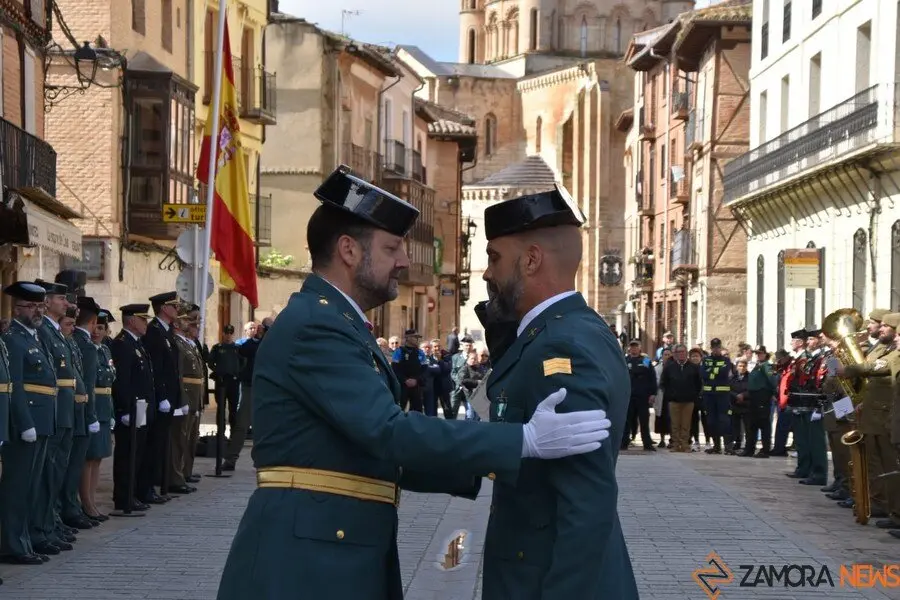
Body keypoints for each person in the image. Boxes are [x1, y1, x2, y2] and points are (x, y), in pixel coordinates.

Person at [215, 167, 613, 600]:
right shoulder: (318, 325)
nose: (404, 261)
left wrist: (492, 459)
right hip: (305, 561)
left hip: (330, 546)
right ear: (348, 250)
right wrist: (520, 441)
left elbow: (373, 451)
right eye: (391, 248)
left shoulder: (337, 321)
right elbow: (387, 432)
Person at [475, 184, 637, 599]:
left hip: (545, 578)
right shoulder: (564, 331)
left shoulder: (560, 345)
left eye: (494, 257)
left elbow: (587, 502)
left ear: (531, 260)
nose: (487, 273)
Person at [0, 282, 57, 564]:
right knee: (17, 487)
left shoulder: (34, 337)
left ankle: (24, 541)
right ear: (17, 307)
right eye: (31, 306)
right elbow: (16, 385)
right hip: (27, 422)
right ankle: (12, 544)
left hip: (43, 419)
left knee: (32, 487)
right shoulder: (13, 338)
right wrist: (24, 422)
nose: (37, 311)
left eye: (40, 306)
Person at [110, 304, 154, 512]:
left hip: (141, 406)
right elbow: (122, 380)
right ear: (131, 321)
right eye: (142, 319)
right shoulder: (122, 344)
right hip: (131, 407)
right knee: (127, 453)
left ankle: (133, 493)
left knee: (138, 452)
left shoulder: (137, 343)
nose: (146, 323)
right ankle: (123, 496)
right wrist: (124, 409)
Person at [81, 308, 116, 518]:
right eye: (95, 327)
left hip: (104, 406)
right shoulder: (88, 349)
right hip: (92, 406)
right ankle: (86, 502)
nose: (96, 332)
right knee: (89, 457)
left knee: (98, 458)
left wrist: (110, 411)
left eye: (101, 328)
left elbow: (110, 380)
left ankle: (92, 500)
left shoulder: (104, 350)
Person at [700, 338, 734, 454]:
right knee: (711, 421)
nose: (716, 349)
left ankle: (728, 446)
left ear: (720, 348)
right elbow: (703, 374)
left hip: (722, 395)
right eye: (714, 347)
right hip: (709, 395)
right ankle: (716, 446)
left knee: (724, 420)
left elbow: (724, 372)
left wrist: (711, 372)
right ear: (711, 348)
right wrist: (716, 371)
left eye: (718, 347)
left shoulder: (726, 360)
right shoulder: (705, 360)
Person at [209, 325, 242, 430]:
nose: (228, 335)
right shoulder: (217, 347)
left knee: (233, 409)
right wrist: (218, 371)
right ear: (223, 333)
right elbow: (210, 362)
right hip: (221, 381)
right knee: (221, 408)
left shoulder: (237, 348)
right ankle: (221, 432)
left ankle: (233, 432)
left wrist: (237, 372)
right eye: (226, 333)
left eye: (230, 333)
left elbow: (243, 362)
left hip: (233, 381)